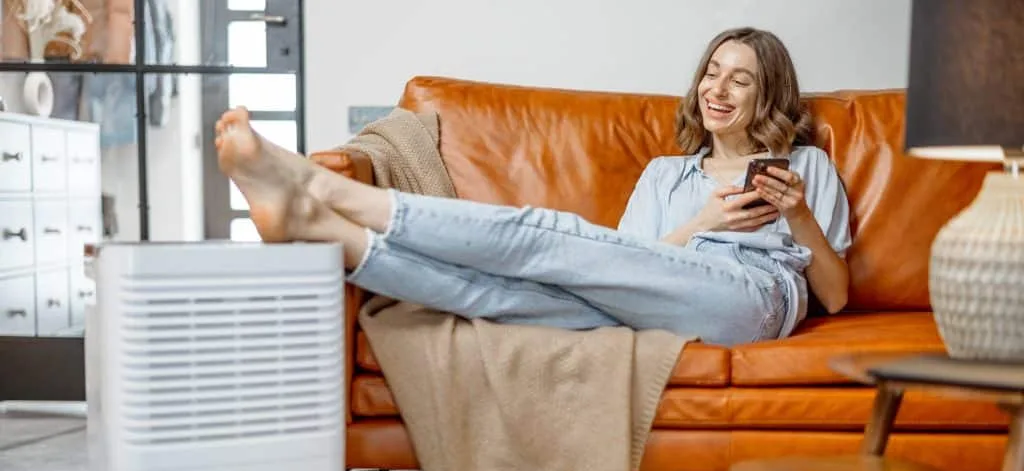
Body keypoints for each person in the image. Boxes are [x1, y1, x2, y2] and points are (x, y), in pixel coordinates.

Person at [213, 26, 851, 348]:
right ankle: (323, 228)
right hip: (642, 300)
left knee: (554, 239)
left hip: (748, 300)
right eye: (712, 73)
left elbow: (837, 296)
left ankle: (326, 192)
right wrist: (700, 224)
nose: (717, 89)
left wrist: (798, 219)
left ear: (766, 91)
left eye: (739, 79)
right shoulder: (666, 174)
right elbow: (623, 260)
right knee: (499, 296)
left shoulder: (805, 166)